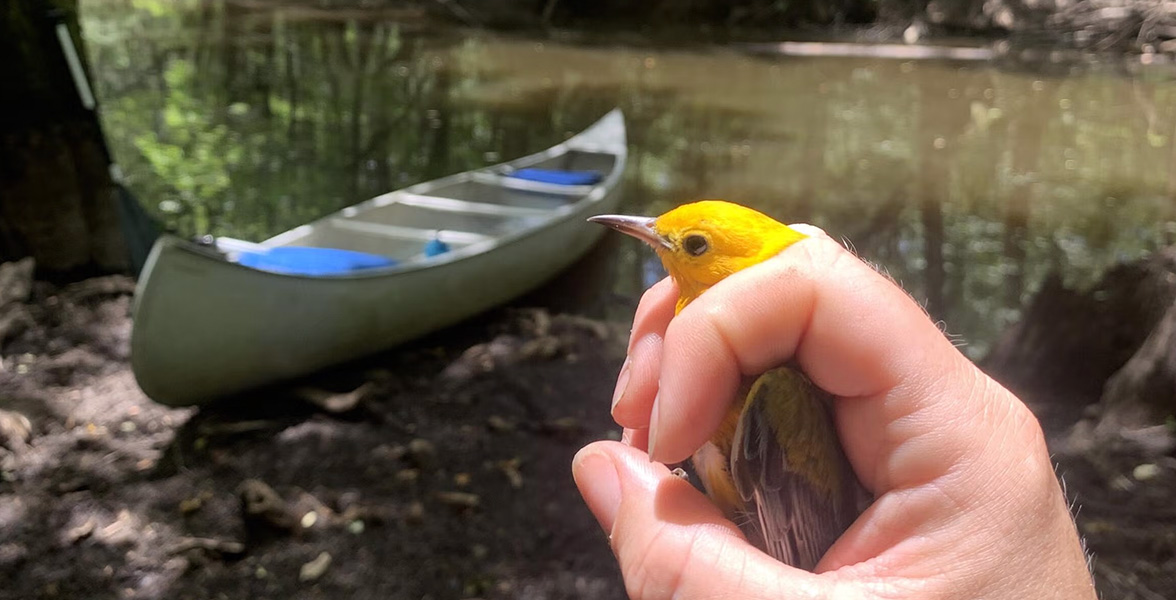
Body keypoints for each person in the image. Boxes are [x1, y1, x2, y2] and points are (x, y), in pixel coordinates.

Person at [572, 225, 1097, 599]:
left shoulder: (779, 394)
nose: (652, 236)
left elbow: (796, 562)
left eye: (693, 245)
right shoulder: (716, 334)